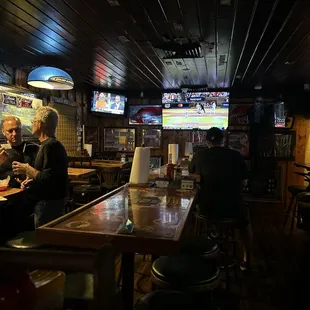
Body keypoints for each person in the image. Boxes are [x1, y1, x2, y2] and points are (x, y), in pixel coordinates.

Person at [188, 127, 252, 271]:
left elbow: (191, 172)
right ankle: (246, 259)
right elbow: (244, 183)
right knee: (245, 224)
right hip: (233, 208)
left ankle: (201, 250)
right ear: (223, 140)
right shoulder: (236, 155)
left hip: (207, 209)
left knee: (195, 213)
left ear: (207, 141)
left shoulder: (199, 155)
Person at [12, 106, 68, 228]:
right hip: (48, 202)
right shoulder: (47, 145)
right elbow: (45, 175)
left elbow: (49, 179)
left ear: (40, 124)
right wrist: (29, 181)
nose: (32, 124)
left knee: (46, 240)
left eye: (33, 121)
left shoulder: (50, 146)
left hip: (48, 204)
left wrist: (27, 169)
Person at [0, 116, 38, 187]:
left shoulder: (33, 148)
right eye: (10, 131)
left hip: (28, 192)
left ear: (22, 130)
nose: (14, 134)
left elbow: (41, 174)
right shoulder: (1, 150)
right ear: (3, 132)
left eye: (17, 130)